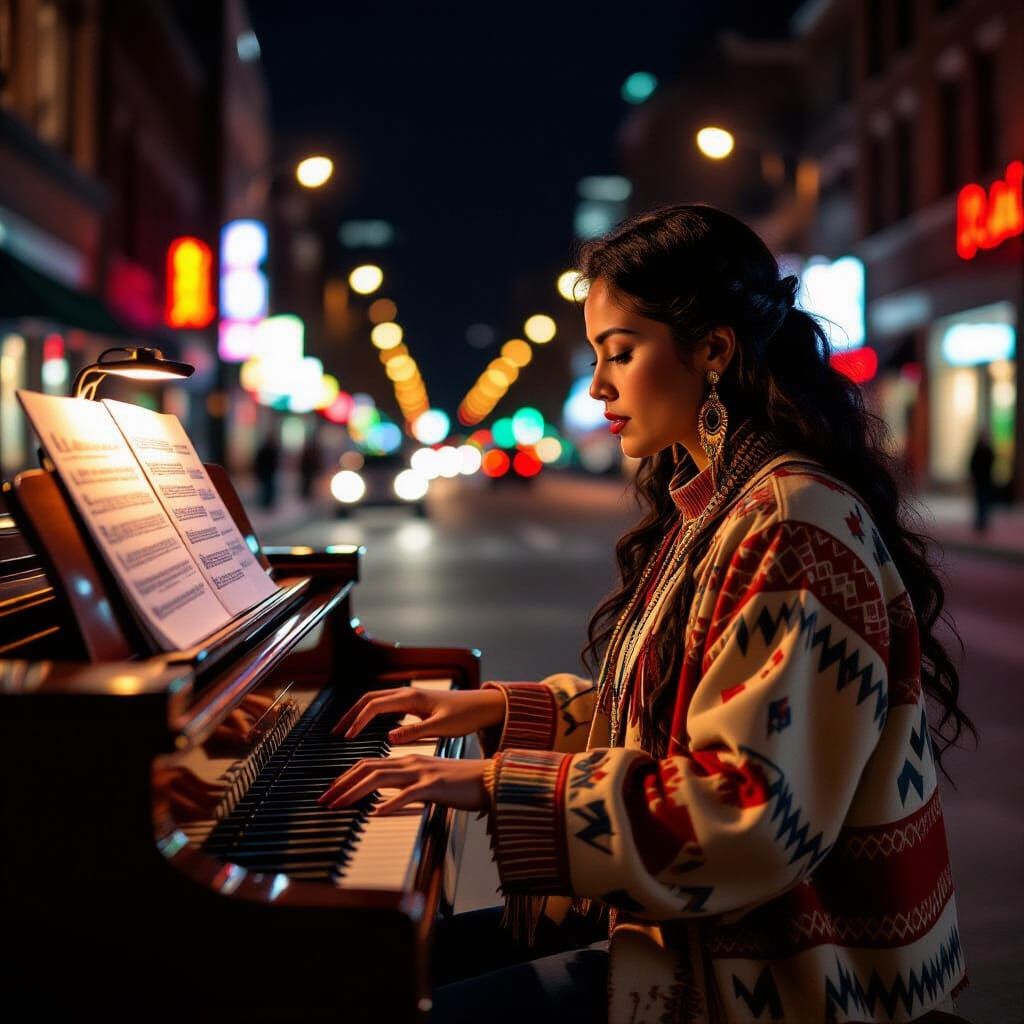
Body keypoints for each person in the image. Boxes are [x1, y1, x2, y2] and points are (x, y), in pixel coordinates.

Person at [319, 205, 974, 1023]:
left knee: (380, 997)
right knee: (363, 965)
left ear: (712, 352)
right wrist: (500, 709)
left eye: (619, 354)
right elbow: (686, 717)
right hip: (707, 937)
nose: (598, 386)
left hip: (775, 979)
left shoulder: (791, 524)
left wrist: (498, 784)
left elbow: (751, 814)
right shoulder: (725, 503)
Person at [967, 430, 995, 533]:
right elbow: (972, 464)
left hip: (987, 481)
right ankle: (979, 523)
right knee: (979, 502)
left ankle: (984, 523)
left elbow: (992, 462)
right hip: (979, 481)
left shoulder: (989, 450)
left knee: (985, 503)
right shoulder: (977, 450)